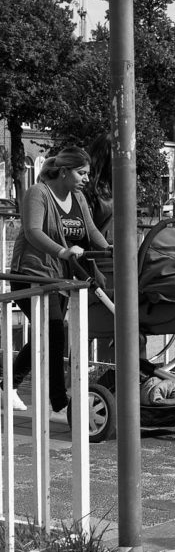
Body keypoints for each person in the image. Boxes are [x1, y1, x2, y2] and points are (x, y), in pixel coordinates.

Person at [8, 147, 110, 417]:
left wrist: (110, 249)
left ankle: (9, 385)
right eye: (81, 173)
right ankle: (59, 401)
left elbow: (90, 231)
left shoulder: (77, 197)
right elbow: (32, 232)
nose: (86, 178)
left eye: (87, 173)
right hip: (31, 275)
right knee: (54, 332)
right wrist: (63, 251)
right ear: (64, 171)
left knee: (46, 334)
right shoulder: (38, 193)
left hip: (61, 276)